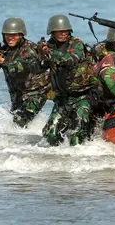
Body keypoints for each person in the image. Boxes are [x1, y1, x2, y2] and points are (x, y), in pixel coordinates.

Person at [40, 14, 100, 146]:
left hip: (82, 96)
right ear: (52, 32)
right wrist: (41, 56)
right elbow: (38, 68)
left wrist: (50, 54)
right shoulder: (48, 47)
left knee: (77, 137)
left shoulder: (76, 44)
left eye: (66, 31)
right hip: (63, 99)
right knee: (50, 135)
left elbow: (69, 59)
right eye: (60, 31)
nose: (63, 34)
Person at [0, 17, 50, 127]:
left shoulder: (30, 49)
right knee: (15, 128)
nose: (10, 38)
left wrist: (2, 61)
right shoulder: (4, 50)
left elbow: (20, 67)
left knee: (17, 124)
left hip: (36, 93)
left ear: (21, 35)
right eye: (7, 35)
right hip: (17, 97)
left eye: (14, 35)